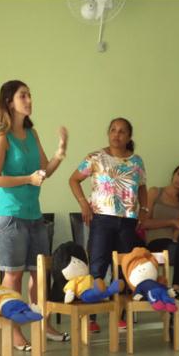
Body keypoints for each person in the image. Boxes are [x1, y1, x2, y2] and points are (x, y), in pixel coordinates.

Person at [0, 80, 69, 350]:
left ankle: (43, 326)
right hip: (9, 217)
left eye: (30, 95)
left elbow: (43, 172)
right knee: (13, 277)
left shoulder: (32, 135)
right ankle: (13, 333)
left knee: (39, 275)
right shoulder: (1, 135)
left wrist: (60, 152)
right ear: (10, 101)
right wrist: (27, 179)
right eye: (23, 96)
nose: (29, 100)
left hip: (34, 216)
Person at [69, 117, 147, 333]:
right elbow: (73, 180)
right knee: (97, 266)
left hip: (128, 221)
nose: (116, 134)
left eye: (122, 131)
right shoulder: (95, 157)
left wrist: (145, 210)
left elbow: (142, 187)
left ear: (129, 136)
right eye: (113, 130)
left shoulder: (136, 161)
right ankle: (91, 316)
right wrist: (84, 204)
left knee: (122, 269)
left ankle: (119, 315)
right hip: (102, 219)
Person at [142, 162, 179, 301]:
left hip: (174, 245)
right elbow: (144, 223)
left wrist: (176, 236)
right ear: (174, 173)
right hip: (155, 243)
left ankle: (178, 292)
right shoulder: (155, 192)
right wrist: (172, 221)